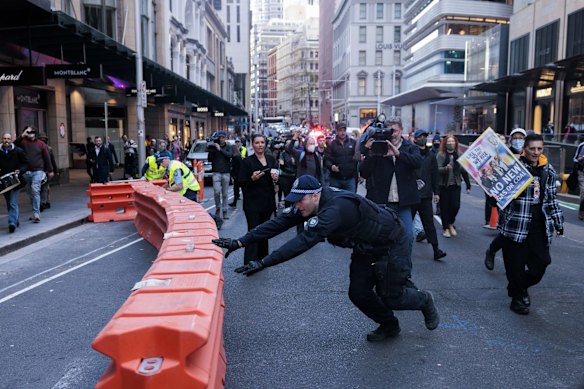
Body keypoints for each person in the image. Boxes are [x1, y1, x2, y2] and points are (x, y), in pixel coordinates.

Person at [212, 175, 439, 341]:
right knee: (358, 293)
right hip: (365, 246)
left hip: (391, 243)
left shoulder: (335, 210)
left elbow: (302, 242)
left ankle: (423, 300)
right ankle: (389, 325)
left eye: (299, 201)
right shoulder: (310, 204)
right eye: (294, 201)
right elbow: (278, 223)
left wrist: (263, 262)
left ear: (315, 195)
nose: (296, 205)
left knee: (392, 297)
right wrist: (240, 241)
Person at [498, 134, 564, 315]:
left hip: (538, 225)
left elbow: (552, 199)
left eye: (539, 149)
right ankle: (518, 299)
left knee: (542, 263)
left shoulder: (547, 170)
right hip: (516, 224)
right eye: (532, 148)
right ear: (524, 149)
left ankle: (517, 287)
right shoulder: (513, 168)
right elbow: (498, 195)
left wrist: (558, 222)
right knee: (515, 265)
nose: (536, 152)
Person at [360, 121, 422, 256]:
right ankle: (382, 269)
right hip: (382, 202)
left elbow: (417, 162)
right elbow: (364, 172)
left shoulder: (409, 147)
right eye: (390, 131)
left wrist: (398, 154)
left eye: (395, 131)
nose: (392, 134)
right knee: (380, 238)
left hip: (403, 202)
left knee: (408, 237)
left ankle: (404, 270)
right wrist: (370, 153)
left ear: (401, 130)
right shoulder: (379, 147)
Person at [484, 128, 526, 271]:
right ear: (511, 139)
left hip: (526, 200)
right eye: (516, 137)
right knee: (506, 233)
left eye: (521, 137)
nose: (518, 140)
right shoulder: (504, 156)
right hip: (508, 199)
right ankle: (492, 250)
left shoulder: (530, 155)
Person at [237, 134, 279, 264]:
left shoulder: (271, 159)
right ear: (253, 145)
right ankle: (249, 261)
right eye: (257, 142)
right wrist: (252, 179)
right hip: (252, 203)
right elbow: (240, 181)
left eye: (262, 142)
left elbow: (277, 178)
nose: (260, 145)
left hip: (268, 201)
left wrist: (276, 178)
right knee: (254, 230)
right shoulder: (247, 162)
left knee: (265, 230)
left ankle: (262, 259)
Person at [410, 129, 446, 261]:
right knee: (407, 223)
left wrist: (436, 193)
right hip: (412, 194)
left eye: (424, 136)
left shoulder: (431, 155)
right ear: (415, 139)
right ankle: (400, 248)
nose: (423, 139)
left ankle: (436, 250)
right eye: (420, 137)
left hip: (425, 195)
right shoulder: (411, 152)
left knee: (429, 223)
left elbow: (435, 174)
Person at [15, 126, 54, 223]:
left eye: (32, 131)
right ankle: (35, 211)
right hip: (26, 172)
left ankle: (37, 213)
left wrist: (50, 170)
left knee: (35, 190)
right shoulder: (22, 142)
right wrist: (22, 135)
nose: (31, 133)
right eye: (28, 131)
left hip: (38, 171)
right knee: (30, 192)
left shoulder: (41, 144)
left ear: (35, 133)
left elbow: (47, 158)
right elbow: (13, 146)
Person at [436, 134, 471, 238]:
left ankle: (451, 223)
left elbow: (464, 172)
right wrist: (446, 169)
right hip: (444, 185)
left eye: (452, 141)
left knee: (455, 206)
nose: (450, 143)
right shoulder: (441, 155)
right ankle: (446, 227)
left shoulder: (459, 155)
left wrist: (468, 185)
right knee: (444, 208)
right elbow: (437, 170)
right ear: (445, 143)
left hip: (456, 184)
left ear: (456, 143)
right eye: (448, 142)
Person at [0, 132, 28, 232]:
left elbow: (25, 164)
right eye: (4, 139)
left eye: (8, 139)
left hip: (16, 181)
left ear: (11, 140)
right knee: (9, 203)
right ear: (2, 140)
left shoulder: (18, 151)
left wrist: (20, 170)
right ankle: (15, 219)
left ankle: (11, 222)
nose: (6, 141)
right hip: (4, 182)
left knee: (13, 202)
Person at [325, 123, 358, 192]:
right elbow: (326, 159)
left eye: (344, 130)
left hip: (350, 178)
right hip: (336, 179)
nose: (343, 133)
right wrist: (331, 166)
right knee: (336, 200)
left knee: (351, 200)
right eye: (340, 130)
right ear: (337, 131)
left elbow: (357, 158)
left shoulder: (353, 143)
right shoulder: (331, 144)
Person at [207, 131, 232, 220]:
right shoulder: (214, 146)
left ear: (225, 138)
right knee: (217, 192)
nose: (221, 139)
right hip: (216, 172)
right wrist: (212, 150)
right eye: (220, 138)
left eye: (223, 137)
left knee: (225, 193)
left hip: (226, 172)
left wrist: (220, 149)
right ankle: (218, 208)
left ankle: (224, 211)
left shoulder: (228, 146)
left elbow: (229, 155)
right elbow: (209, 159)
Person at [37, 133, 58, 211]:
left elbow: (52, 160)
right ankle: (44, 202)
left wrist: (54, 170)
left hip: (45, 170)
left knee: (44, 187)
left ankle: (44, 202)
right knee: (44, 188)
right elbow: (53, 160)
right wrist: (55, 170)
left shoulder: (48, 149)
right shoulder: (46, 148)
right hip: (42, 170)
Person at [228, 138, 245, 208]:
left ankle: (236, 203)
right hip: (238, 176)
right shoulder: (236, 157)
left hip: (239, 176)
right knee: (236, 189)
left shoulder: (237, 157)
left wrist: (235, 175)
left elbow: (239, 167)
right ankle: (234, 202)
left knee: (240, 189)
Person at [573, 134, 584, 220]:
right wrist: (581, 159)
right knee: (583, 192)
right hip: (582, 172)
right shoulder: (582, 146)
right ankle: (582, 211)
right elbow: (575, 159)